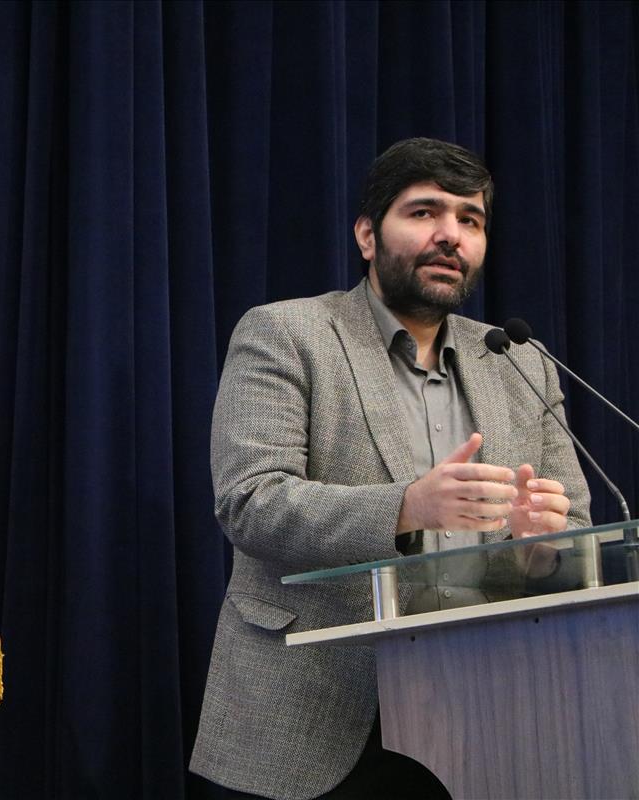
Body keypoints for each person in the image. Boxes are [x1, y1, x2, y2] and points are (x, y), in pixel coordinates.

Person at [189, 138, 592, 800]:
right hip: (316, 711)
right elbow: (251, 502)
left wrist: (539, 545)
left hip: (488, 707)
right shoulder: (287, 334)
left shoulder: (519, 359)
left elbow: (575, 524)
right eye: (424, 212)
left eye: (470, 219)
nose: (450, 235)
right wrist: (407, 507)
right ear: (367, 236)